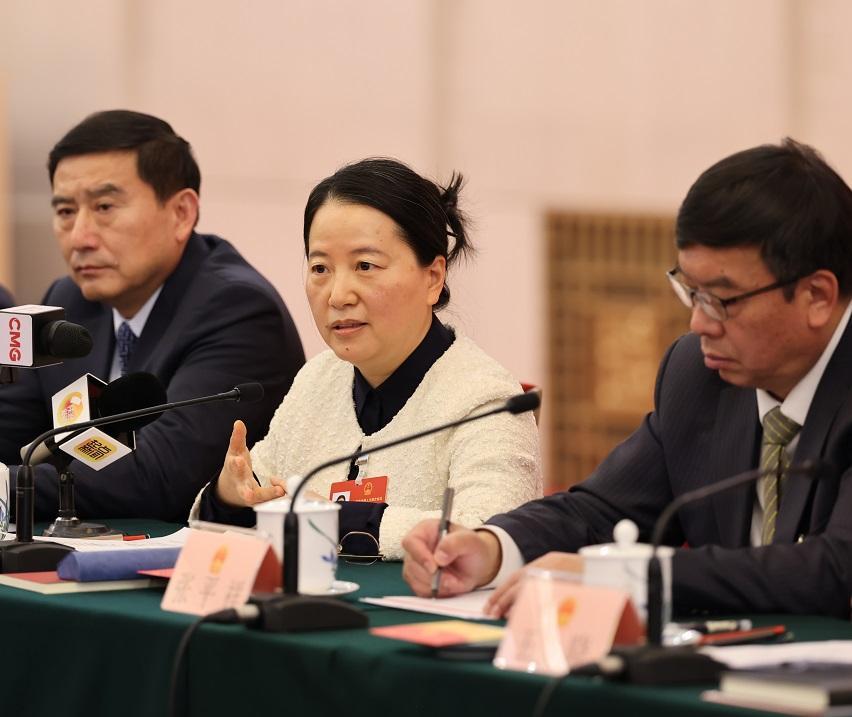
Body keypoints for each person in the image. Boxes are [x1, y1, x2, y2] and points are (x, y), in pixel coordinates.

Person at [403, 138, 852, 618]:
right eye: (691, 292)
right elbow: (603, 511)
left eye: (723, 299)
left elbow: (834, 567)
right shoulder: (698, 374)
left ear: (817, 296)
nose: (699, 323)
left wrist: (626, 577)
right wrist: (492, 548)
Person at [191, 158, 542, 560]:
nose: (338, 295)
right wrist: (230, 495)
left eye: (365, 266)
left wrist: (334, 519)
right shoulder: (318, 379)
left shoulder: (486, 400)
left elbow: (486, 535)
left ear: (433, 278)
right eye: (320, 268)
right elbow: (256, 496)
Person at [0, 110, 304, 522]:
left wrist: (6, 488)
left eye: (104, 207)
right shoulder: (69, 299)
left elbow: (160, 476)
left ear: (181, 213)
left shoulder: (237, 309)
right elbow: (12, 433)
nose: (80, 237)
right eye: (66, 211)